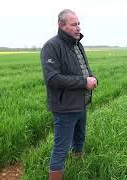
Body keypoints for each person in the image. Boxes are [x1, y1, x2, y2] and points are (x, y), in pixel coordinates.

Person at [40, 9, 97, 180]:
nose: (78, 27)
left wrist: (92, 77)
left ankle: (77, 171)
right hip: (65, 108)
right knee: (61, 148)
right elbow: (53, 79)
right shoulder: (51, 46)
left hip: (80, 104)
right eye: (74, 24)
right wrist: (84, 82)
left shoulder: (77, 44)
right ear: (61, 25)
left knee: (79, 140)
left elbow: (83, 68)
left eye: (79, 24)